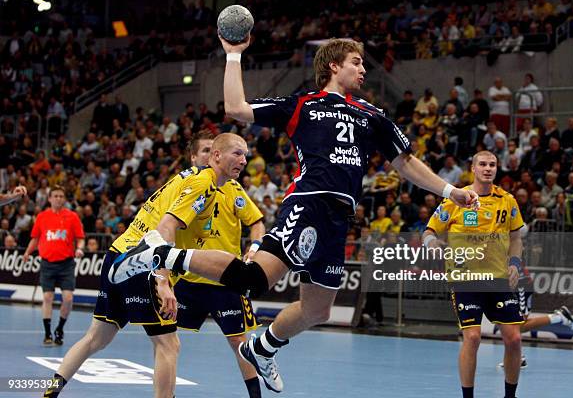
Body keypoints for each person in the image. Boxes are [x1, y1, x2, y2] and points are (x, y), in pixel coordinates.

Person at [109, 37, 478, 393]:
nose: (363, 68)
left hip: (339, 218)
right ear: (334, 66)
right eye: (356, 62)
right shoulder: (303, 105)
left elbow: (406, 162)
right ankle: (161, 255)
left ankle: (264, 347)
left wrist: (450, 191)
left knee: (318, 310)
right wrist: (234, 55)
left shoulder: (372, 116)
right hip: (309, 203)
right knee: (253, 279)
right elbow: (235, 108)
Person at [43, 133, 248, 398]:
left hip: (117, 252)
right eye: (236, 153)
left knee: (97, 338)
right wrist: (162, 281)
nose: (243, 160)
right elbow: (165, 228)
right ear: (210, 156)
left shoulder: (191, 180)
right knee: (168, 345)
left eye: (245, 154)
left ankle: (49, 393)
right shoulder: (203, 183)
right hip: (142, 261)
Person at [422, 150, 524, 398]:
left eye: (492, 164)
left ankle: (510, 395)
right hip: (465, 279)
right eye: (483, 164)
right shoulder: (457, 198)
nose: (488, 168)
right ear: (473, 168)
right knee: (473, 337)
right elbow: (428, 232)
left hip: (498, 279)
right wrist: (432, 243)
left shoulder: (507, 200)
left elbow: (516, 237)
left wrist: (515, 263)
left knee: (514, 339)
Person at [171, 131, 265, 397]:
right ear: (194, 157)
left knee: (239, 343)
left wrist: (255, 247)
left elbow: (256, 222)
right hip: (188, 278)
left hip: (226, 281)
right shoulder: (183, 188)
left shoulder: (233, 189)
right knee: (166, 337)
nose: (210, 156)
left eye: (213, 150)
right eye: (204, 151)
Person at [22, 186, 85, 346]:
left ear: (64, 199)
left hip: (66, 264)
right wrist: (28, 252)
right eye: (55, 196)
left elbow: (80, 238)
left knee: (68, 298)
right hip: (47, 264)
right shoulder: (42, 217)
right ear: (49, 199)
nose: (58, 198)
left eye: (61, 196)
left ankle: (60, 329)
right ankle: (48, 333)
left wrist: (79, 248)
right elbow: (35, 238)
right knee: (47, 297)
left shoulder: (72, 217)